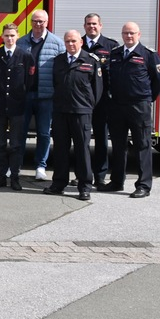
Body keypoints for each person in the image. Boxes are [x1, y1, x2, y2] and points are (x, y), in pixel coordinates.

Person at [105, 22, 160, 198]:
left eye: (132, 33)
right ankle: (116, 181)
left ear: (139, 34)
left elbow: (158, 82)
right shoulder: (115, 54)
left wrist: (146, 99)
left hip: (139, 107)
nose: (128, 36)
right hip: (117, 106)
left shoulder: (149, 55)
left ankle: (144, 185)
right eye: (125, 33)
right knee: (118, 146)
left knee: (142, 145)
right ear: (122, 35)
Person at [43, 29, 101, 202]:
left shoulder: (90, 61)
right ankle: (58, 184)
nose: (71, 44)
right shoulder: (59, 61)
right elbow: (56, 83)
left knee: (82, 150)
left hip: (81, 113)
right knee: (60, 149)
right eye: (67, 41)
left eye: (74, 41)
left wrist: (87, 106)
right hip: (61, 112)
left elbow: (97, 89)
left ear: (81, 42)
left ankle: (84, 187)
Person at [0, 24, 35, 190]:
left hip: (18, 107)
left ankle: (15, 178)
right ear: (2, 36)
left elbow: (29, 82)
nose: (9, 39)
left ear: (17, 36)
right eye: (6, 35)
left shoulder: (26, 56)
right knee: (0, 145)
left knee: (15, 145)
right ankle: (0, 177)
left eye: (12, 35)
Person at [18, 9, 60, 181]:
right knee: (20, 132)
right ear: (30, 22)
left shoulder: (57, 44)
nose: (38, 24)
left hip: (46, 97)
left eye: (41, 21)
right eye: (35, 21)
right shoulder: (21, 43)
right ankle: (16, 165)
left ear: (47, 22)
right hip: (25, 95)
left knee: (44, 133)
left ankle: (40, 166)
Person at [82, 13, 119, 187]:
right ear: (84, 26)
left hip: (102, 101)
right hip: (81, 101)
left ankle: (100, 174)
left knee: (101, 139)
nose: (92, 27)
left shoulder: (110, 46)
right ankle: (82, 173)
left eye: (95, 24)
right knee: (81, 139)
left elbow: (115, 74)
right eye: (89, 24)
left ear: (101, 25)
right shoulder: (77, 43)